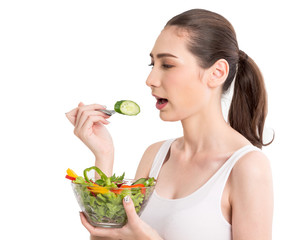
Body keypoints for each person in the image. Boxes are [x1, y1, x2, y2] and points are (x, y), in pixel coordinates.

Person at [66, 8, 273, 240]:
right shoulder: (156, 156)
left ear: (216, 73)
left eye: (167, 65)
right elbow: (109, 236)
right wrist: (104, 155)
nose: (150, 80)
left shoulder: (247, 167)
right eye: (152, 64)